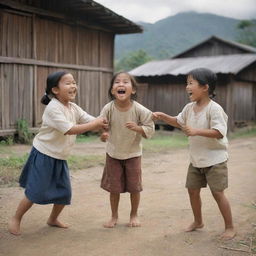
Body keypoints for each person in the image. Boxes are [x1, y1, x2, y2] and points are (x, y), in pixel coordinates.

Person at [8, 71, 108, 235]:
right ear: (55, 89)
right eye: (68, 83)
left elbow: (89, 119)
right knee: (35, 192)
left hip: (60, 157)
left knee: (64, 192)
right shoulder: (53, 108)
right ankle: (16, 218)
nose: (73, 86)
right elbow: (70, 129)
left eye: (74, 82)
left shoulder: (73, 107)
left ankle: (52, 219)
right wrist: (95, 124)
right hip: (44, 154)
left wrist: (102, 123)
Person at [153, 68, 236, 240]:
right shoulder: (189, 108)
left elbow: (220, 132)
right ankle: (198, 222)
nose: (187, 87)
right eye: (187, 83)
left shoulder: (214, 109)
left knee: (218, 193)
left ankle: (230, 227)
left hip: (215, 160)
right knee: (192, 190)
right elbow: (179, 121)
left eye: (191, 83)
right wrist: (163, 117)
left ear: (205, 87)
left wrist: (196, 131)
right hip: (196, 160)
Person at [100, 71, 155, 228]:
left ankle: (134, 214)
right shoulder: (108, 108)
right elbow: (102, 126)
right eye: (117, 82)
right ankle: (114, 216)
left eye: (126, 82)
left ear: (133, 90)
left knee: (134, 187)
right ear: (112, 90)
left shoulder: (139, 109)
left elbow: (150, 128)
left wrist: (138, 128)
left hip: (133, 154)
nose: (121, 84)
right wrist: (103, 134)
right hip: (113, 154)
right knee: (114, 188)